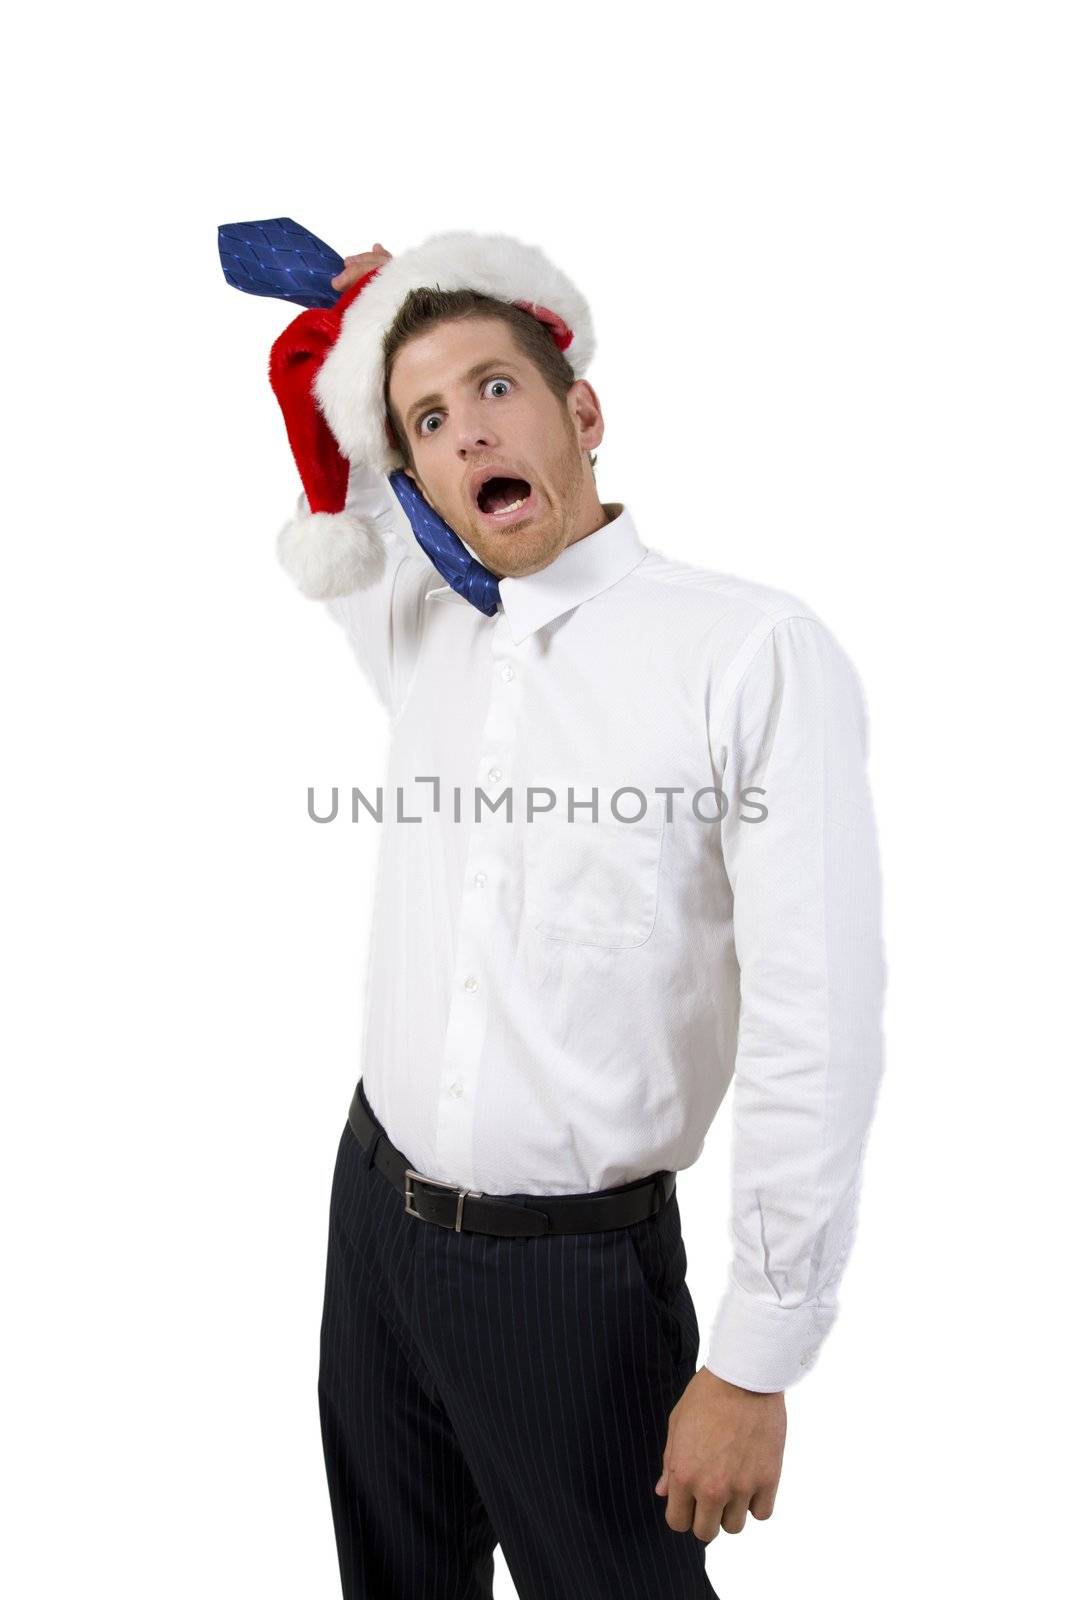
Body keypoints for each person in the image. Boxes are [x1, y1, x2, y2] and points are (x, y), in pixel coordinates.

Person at [267, 231, 887, 1599]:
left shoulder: (747, 651)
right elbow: (342, 493)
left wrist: (754, 1355)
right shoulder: (421, 623)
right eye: (427, 418)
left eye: (496, 388)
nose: (465, 429)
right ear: (417, 471)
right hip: (372, 1226)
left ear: (580, 412)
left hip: (572, 1293)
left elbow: (817, 1015)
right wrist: (360, 317)